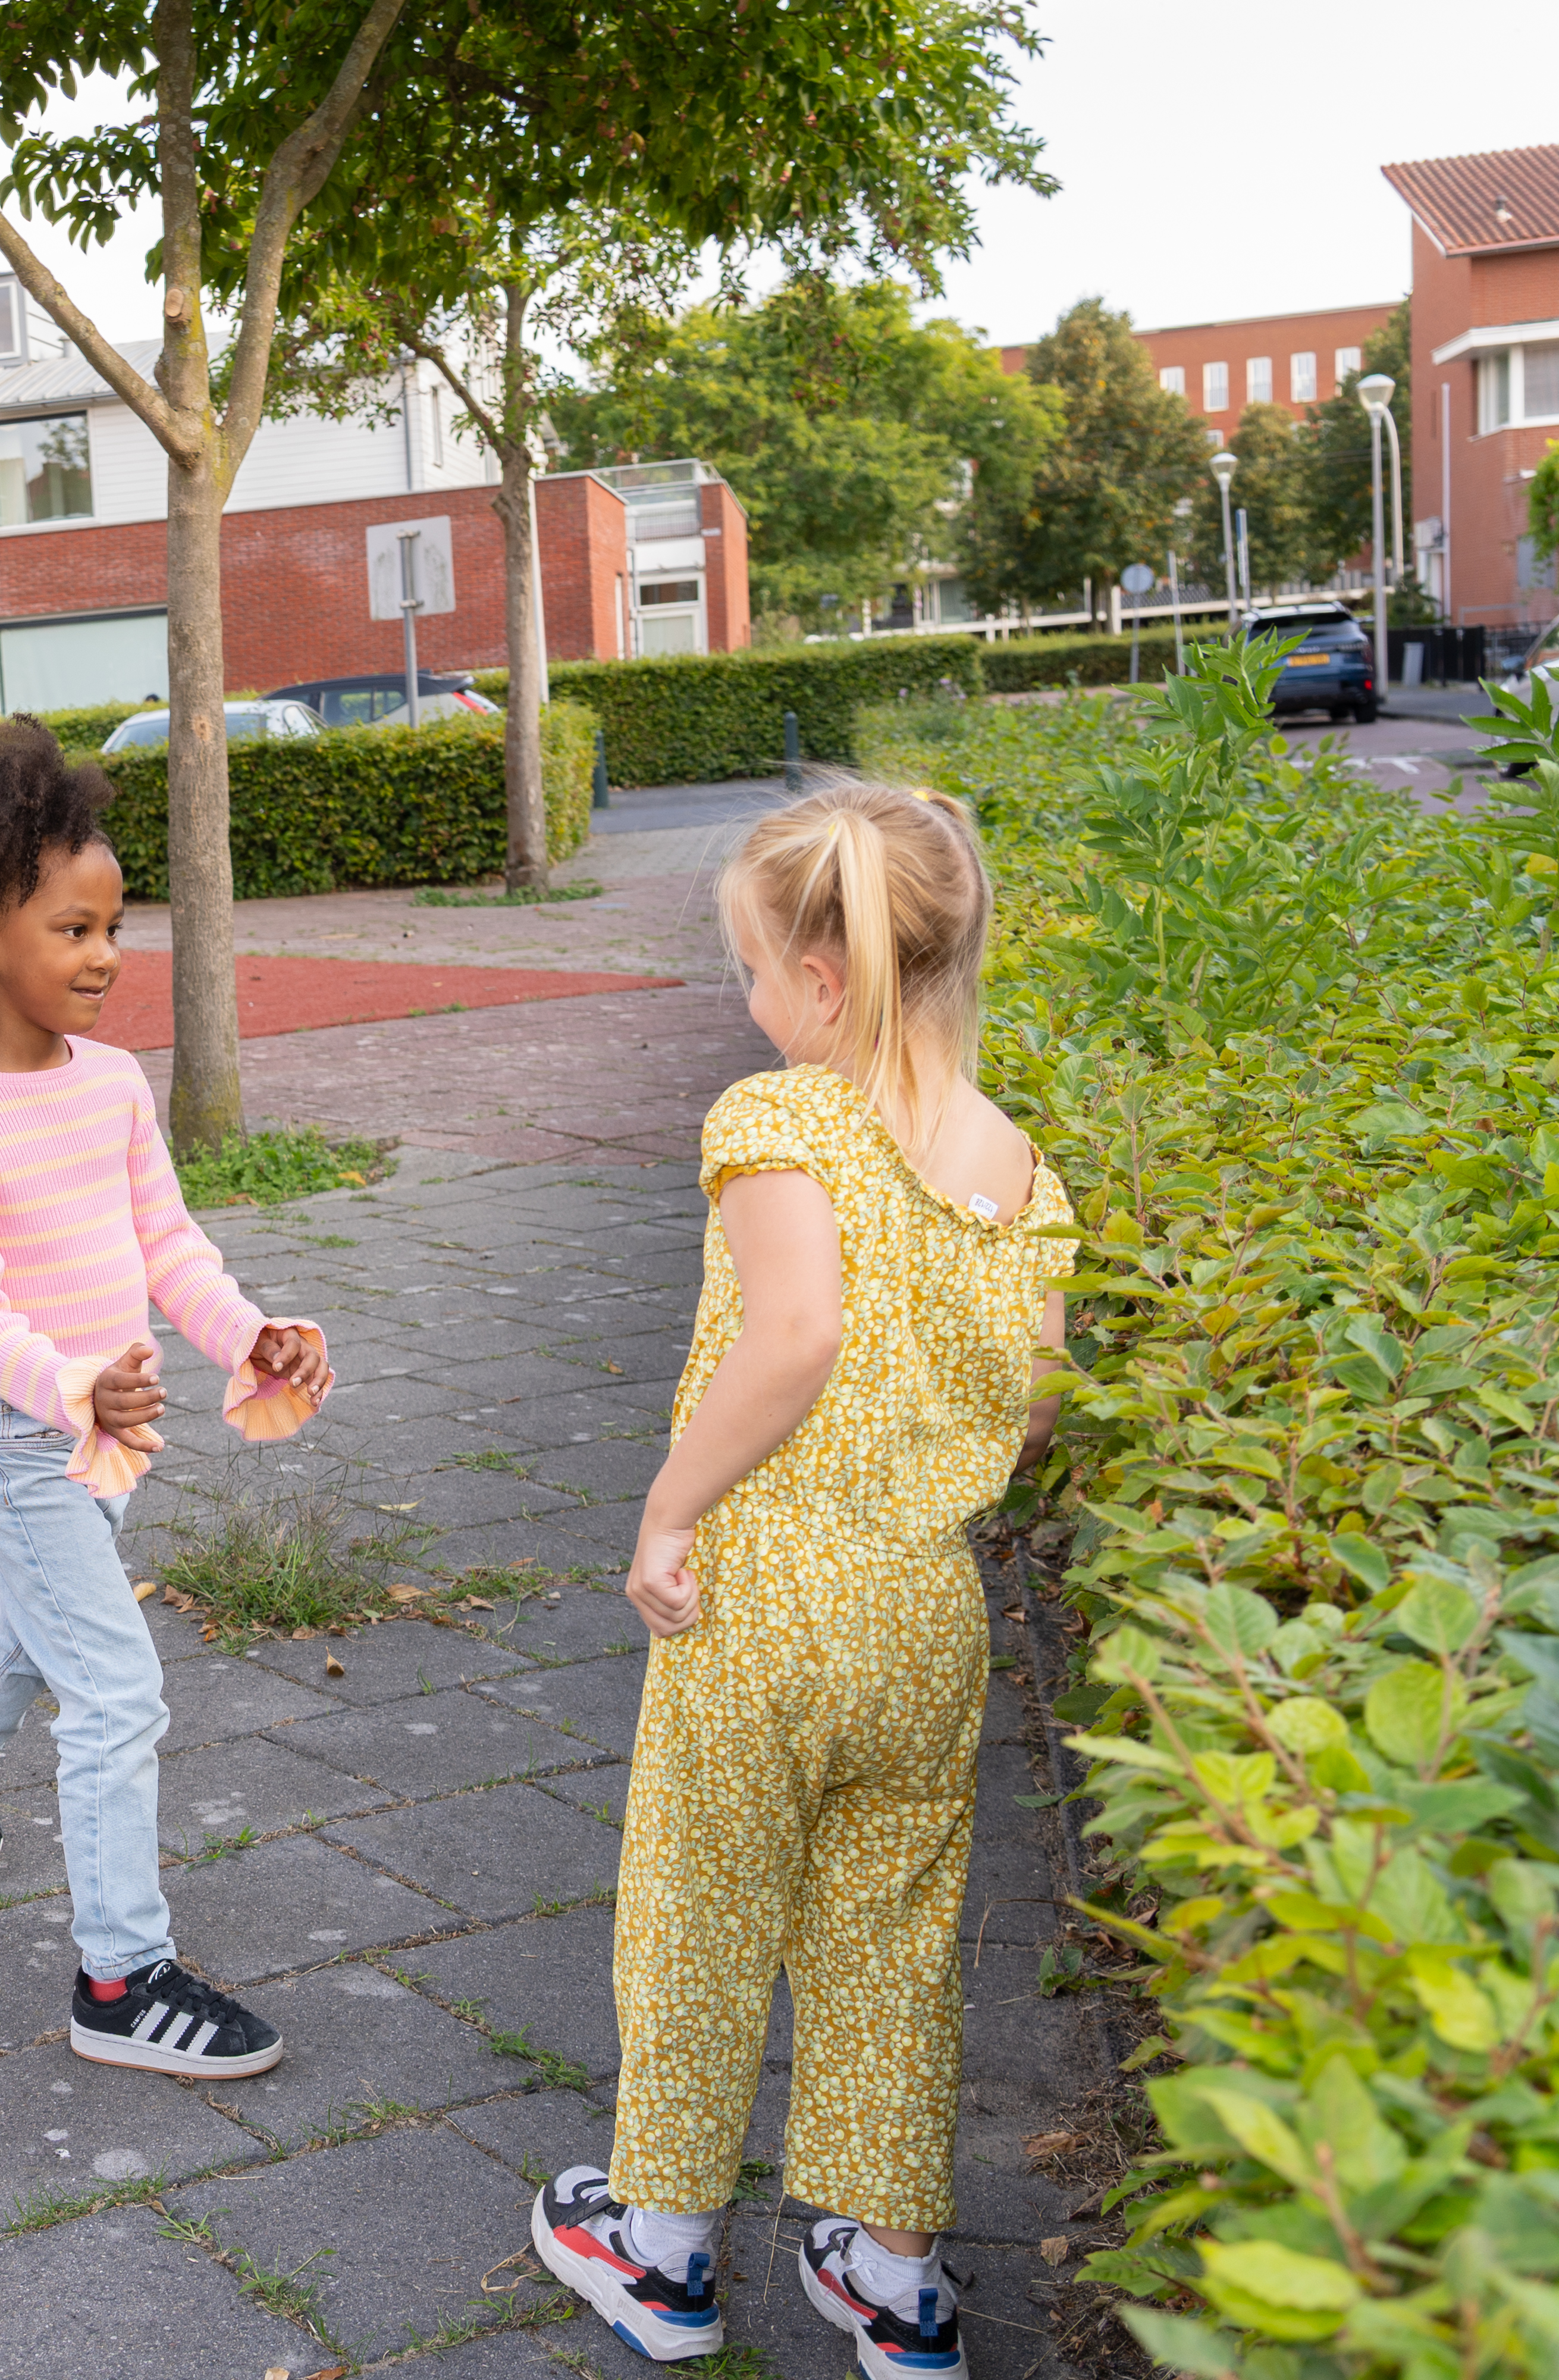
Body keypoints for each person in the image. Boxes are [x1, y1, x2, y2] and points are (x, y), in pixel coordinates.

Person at [529, 780, 1069, 2380]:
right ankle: (896, 2284)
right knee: (896, 1936)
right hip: (925, 1611)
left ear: (822, 987)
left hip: (763, 1595)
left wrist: (669, 1512)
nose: (748, 1001)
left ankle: (667, 2250)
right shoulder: (1013, 1161)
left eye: (755, 971)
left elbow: (796, 1336)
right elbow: (1036, 1402)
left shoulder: (778, 1121)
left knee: (701, 1913)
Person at [0, 728, 334, 2081]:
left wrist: (254, 1334)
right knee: (115, 1687)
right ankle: (120, 1975)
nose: (105, 952)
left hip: (110, 1423)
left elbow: (172, 1248)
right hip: (16, 1432)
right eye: (72, 926)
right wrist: (70, 1382)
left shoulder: (115, 1085)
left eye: (113, 925)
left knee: (47, 1606)